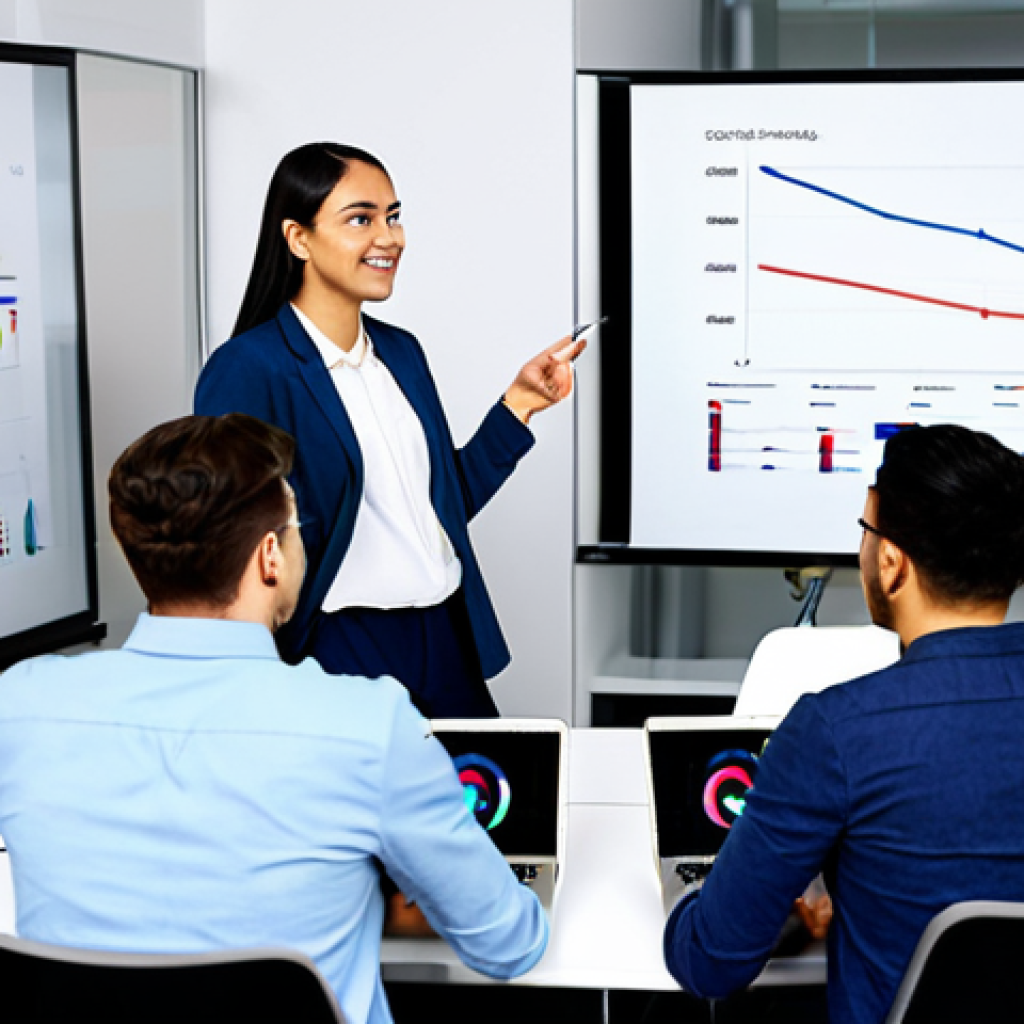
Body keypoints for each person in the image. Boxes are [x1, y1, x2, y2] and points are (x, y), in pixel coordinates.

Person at [0, 414, 548, 1024]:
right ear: (269, 559)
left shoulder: (19, 704)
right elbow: (508, 943)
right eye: (294, 528)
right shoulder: (367, 724)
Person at [194, 142, 583, 718]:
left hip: (445, 635)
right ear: (298, 238)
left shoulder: (401, 354)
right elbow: (226, 547)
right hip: (337, 645)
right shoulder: (249, 369)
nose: (389, 237)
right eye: (361, 219)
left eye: (393, 217)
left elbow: (442, 506)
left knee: (484, 804)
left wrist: (519, 405)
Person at [663, 423, 1024, 1024]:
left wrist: (693, 896)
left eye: (866, 531)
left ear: (890, 563)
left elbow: (712, 960)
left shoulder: (834, 731)